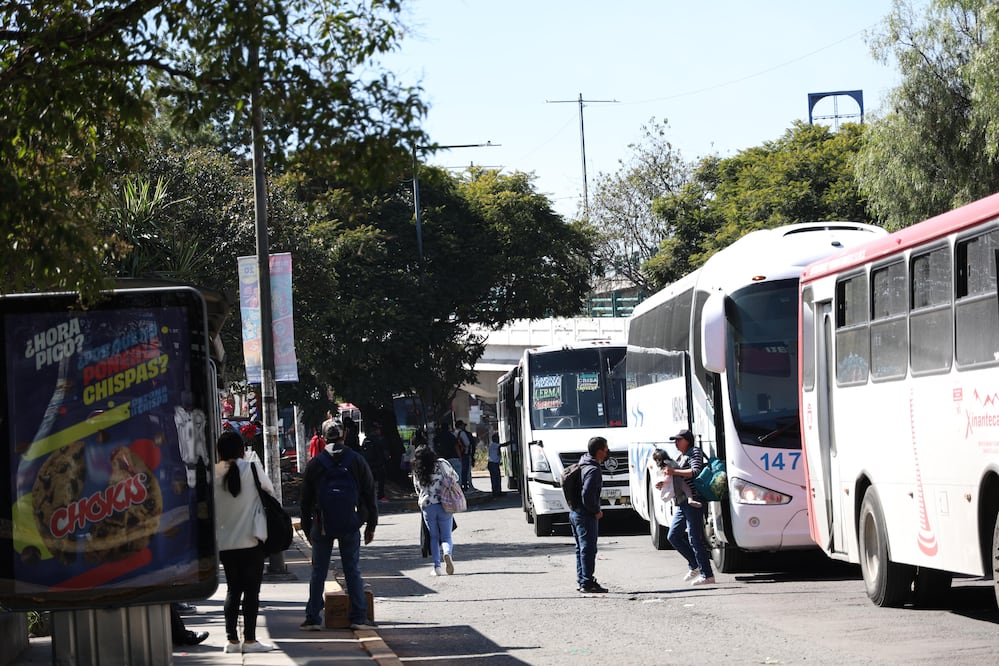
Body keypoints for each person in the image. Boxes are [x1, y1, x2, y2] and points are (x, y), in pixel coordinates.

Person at [299, 422, 378, 631]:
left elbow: (305, 501)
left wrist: (307, 529)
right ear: (344, 435)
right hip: (350, 523)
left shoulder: (316, 463)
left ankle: (313, 617)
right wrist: (371, 525)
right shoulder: (357, 460)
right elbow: (369, 494)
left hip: (322, 524)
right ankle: (358, 617)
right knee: (352, 569)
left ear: (323, 437)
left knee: (319, 571)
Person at [214, 430, 275, 654]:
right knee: (251, 593)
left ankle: (231, 640)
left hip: (225, 544)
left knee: (233, 590)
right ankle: (250, 640)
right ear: (242, 450)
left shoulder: (213, 474)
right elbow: (270, 491)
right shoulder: (252, 468)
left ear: (219, 452)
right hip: (251, 541)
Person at [664, 429, 715, 586]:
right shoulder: (681, 456)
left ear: (687, 440)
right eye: (675, 440)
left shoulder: (695, 452)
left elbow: (695, 471)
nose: (676, 443)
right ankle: (695, 565)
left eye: (679, 440)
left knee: (695, 539)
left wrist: (674, 471)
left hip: (694, 500)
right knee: (673, 536)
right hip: (682, 501)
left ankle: (707, 575)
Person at [569, 436, 610, 593]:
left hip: (575, 512)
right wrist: (596, 511)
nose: (607, 452)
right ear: (599, 451)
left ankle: (583, 580)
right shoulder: (593, 470)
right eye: (605, 449)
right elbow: (587, 494)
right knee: (588, 549)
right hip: (585, 514)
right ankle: (587, 583)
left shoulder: (583, 462)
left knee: (581, 548)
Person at [411, 444, 457, 576]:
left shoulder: (418, 469)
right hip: (444, 503)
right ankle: (447, 553)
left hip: (427, 506)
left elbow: (417, 488)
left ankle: (437, 567)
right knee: (446, 536)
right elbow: (455, 478)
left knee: (434, 537)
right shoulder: (442, 464)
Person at [362, 421, 389, 502]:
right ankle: (381, 496)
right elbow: (385, 453)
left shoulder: (366, 440)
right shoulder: (380, 440)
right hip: (378, 464)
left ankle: (368, 496)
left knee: (369, 481)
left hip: (368, 464)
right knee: (381, 481)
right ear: (376, 430)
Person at [455, 420, 475, 490]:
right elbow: (467, 443)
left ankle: (461, 486)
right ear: (460, 426)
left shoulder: (454, 433)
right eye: (463, 425)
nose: (464, 427)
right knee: (466, 471)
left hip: (457, 455)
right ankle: (466, 486)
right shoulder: (462, 433)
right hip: (465, 454)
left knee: (459, 471)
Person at [487, 432, 502, 497]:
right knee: (495, 478)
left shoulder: (493, 445)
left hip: (494, 464)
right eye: (497, 438)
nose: (498, 439)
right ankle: (496, 492)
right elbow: (501, 445)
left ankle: (497, 491)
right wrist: (511, 442)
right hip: (493, 464)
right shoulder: (494, 445)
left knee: (497, 478)